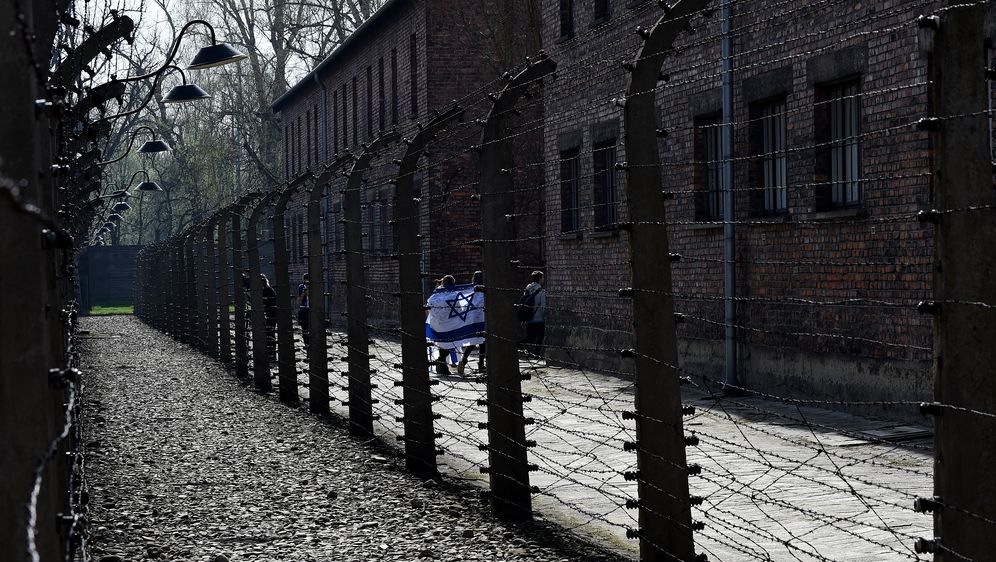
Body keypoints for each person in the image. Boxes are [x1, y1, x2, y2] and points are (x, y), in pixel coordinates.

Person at [426, 275, 458, 375]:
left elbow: (429, 305)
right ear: (453, 284)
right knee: (450, 344)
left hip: (436, 324)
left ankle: (442, 367)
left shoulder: (436, 294)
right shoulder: (453, 294)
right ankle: (440, 362)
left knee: (442, 344)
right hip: (448, 324)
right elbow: (458, 308)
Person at [457, 271, 485, 375]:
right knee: (483, 341)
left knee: (473, 341)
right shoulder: (484, 289)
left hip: (471, 318)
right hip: (482, 317)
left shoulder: (470, 289)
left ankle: (464, 360)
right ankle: (481, 364)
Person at [520, 270, 546, 359]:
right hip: (538, 318)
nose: (543, 279)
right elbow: (543, 307)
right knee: (540, 337)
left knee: (530, 338)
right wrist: (545, 318)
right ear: (539, 278)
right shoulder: (541, 291)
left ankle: (517, 344)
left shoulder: (527, 288)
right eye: (542, 277)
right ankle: (537, 355)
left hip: (528, 318)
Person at [261, 274, 278, 358]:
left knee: (269, 333)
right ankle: (271, 353)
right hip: (271, 314)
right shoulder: (269, 290)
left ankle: (271, 354)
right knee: (270, 333)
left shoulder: (267, 291)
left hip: (271, 314)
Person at [296, 273, 310, 346]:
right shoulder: (301, 287)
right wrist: (303, 293)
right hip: (303, 310)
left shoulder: (313, 287)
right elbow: (299, 300)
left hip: (311, 310)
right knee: (304, 330)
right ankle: (306, 345)